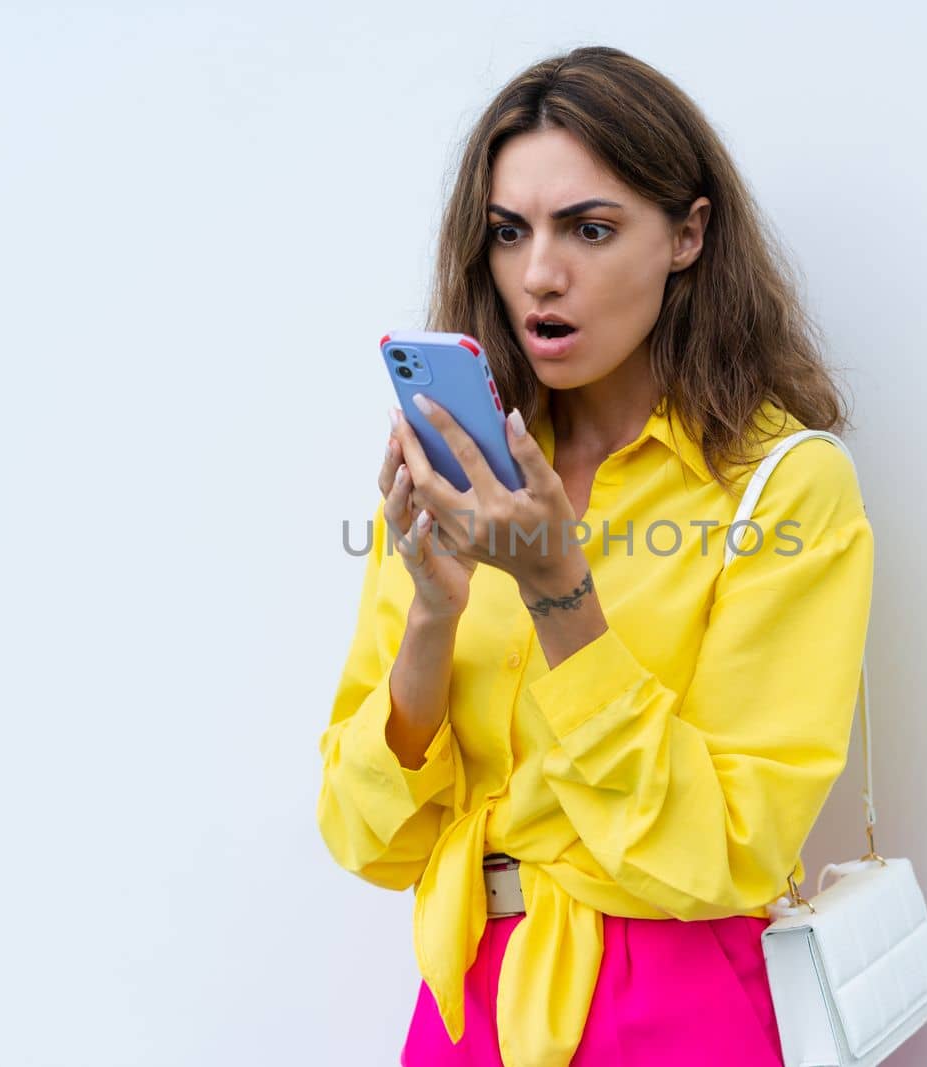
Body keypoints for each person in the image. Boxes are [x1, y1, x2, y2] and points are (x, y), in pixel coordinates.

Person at [317, 46, 874, 1067]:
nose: (539, 273)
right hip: (463, 1005)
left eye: (590, 227)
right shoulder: (459, 474)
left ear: (687, 235)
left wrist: (556, 589)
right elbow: (368, 837)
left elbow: (730, 848)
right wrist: (433, 620)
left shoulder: (784, 485)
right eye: (508, 231)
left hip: (674, 998)